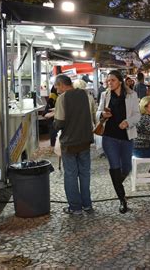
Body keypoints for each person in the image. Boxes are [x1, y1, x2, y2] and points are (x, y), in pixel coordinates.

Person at [97, 70, 140, 214]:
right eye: (108, 81)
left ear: (120, 81)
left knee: (126, 167)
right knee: (115, 167)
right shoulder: (105, 95)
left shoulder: (131, 95)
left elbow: (137, 115)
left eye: (113, 80)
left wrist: (128, 122)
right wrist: (102, 114)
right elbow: (97, 113)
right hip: (109, 137)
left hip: (126, 137)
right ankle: (122, 199)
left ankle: (117, 184)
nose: (110, 83)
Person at [53, 74, 94, 215]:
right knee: (84, 174)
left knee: (70, 175)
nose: (55, 88)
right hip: (85, 140)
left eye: (56, 85)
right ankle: (87, 205)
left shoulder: (62, 98)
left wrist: (53, 121)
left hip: (70, 142)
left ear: (61, 84)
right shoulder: (84, 94)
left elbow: (59, 122)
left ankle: (75, 207)